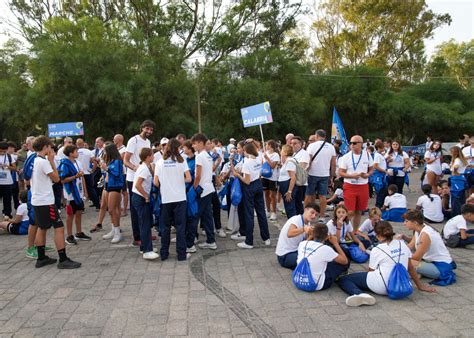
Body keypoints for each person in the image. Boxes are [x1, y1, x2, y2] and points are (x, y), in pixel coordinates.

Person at [337, 221, 435, 307]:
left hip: (382, 287)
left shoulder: (377, 249)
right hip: (403, 284)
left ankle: (360, 294)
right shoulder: (402, 244)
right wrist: (420, 286)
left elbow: (371, 271)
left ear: (378, 235)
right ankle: (362, 293)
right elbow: (410, 267)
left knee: (344, 279)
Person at [30, 136, 81, 269]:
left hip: (37, 200)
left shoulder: (34, 160)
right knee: (59, 227)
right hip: (46, 201)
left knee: (42, 228)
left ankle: (41, 258)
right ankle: (63, 259)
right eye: (50, 147)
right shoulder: (43, 162)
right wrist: (52, 161)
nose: (51, 150)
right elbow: (57, 178)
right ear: (45, 147)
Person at [154, 138, 192, 261]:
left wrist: (165, 184)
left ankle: (164, 254)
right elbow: (189, 179)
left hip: (166, 199)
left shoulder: (160, 162)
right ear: (177, 149)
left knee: (165, 227)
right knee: (180, 227)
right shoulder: (182, 161)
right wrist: (179, 181)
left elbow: (155, 182)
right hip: (180, 198)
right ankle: (181, 254)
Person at [233, 142, 270, 249]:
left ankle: (249, 241)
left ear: (247, 151)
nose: (243, 152)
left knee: (249, 214)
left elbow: (247, 181)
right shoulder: (258, 158)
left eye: (244, 150)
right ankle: (266, 238)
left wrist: (238, 175)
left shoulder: (247, 162)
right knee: (261, 212)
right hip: (258, 184)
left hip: (250, 187)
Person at [403, 210, 456, 285]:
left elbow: (416, 257)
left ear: (415, 222)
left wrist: (399, 256)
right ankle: (417, 273)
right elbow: (410, 246)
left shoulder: (425, 234)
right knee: (402, 259)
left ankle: (416, 273)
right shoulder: (419, 229)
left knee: (404, 261)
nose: (404, 224)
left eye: (406, 221)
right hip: (430, 262)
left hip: (440, 266)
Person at [124, 120, 155, 246]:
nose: (149, 131)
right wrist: (135, 168)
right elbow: (125, 160)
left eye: (151, 130)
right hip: (133, 179)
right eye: (147, 128)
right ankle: (137, 237)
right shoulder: (133, 140)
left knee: (145, 208)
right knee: (136, 209)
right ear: (142, 128)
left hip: (145, 179)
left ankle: (145, 233)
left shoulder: (147, 142)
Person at [296, 223, 349, 291]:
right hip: (316, 285)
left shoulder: (302, 244)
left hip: (298, 280)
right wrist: (336, 243)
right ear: (327, 236)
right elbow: (345, 261)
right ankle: (338, 277)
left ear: (313, 234)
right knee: (343, 263)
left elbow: (307, 241)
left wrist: (310, 236)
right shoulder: (326, 249)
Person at [338, 135, 374, 230]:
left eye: (354, 143)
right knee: (350, 211)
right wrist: (352, 176)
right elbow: (341, 172)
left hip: (363, 185)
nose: (352, 145)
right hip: (350, 185)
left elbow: (371, 169)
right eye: (350, 143)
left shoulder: (367, 155)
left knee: (359, 211)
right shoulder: (346, 157)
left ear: (361, 144)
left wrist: (368, 174)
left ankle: (355, 231)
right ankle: (345, 230)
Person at [58, 145, 90, 245]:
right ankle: (69, 235)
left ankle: (79, 232)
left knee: (79, 212)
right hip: (70, 194)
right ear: (71, 153)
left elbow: (82, 177)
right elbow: (62, 180)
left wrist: (85, 191)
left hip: (79, 192)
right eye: (76, 151)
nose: (78, 153)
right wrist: (75, 176)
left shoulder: (78, 162)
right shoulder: (65, 164)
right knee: (70, 214)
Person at [192, 133, 217, 250]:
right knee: (207, 216)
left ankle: (190, 242)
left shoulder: (199, 156)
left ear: (200, 143)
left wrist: (194, 187)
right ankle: (211, 240)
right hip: (209, 188)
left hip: (202, 189)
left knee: (195, 215)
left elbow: (197, 175)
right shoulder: (207, 155)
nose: (193, 146)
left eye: (195, 143)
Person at [132, 147, 158, 260]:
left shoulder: (146, 167)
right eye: (152, 155)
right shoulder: (143, 169)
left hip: (140, 197)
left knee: (145, 223)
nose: (153, 157)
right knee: (145, 224)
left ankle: (144, 246)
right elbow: (138, 185)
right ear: (148, 156)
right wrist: (146, 196)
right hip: (140, 198)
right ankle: (147, 250)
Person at [275, 203, 319, 269]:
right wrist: (303, 229)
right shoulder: (296, 219)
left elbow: (304, 244)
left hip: (295, 251)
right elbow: (289, 233)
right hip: (284, 255)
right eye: (312, 213)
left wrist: (311, 236)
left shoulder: (308, 223)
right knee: (309, 261)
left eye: (316, 215)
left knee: (315, 256)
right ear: (305, 210)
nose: (313, 216)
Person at [305, 130, 336, 223]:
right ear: (325, 136)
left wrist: (305, 171)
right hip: (325, 174)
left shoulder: (311, 146)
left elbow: (308, 161)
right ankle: (322, 217)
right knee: (323, 196)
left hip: (312, 174)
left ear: (316, 136)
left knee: (308, 195)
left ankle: (307, 215)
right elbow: (333, 163)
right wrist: (332, 176)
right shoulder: (331, 147)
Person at [100, 144, 124, 244]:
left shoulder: (117, 161)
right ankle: (114, 229)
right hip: (108, 185)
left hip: (115, 186)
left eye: (105, 151)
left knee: (112, 209)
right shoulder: (110, 161)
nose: (104, 153)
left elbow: (117, 174)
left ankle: (117, 232)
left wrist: (107, 169)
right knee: (110, 210)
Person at [290, 136, 310, 215]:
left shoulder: (304, 154)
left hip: (300, 183)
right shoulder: (294, 153)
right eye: (291, 143)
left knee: (298, 205)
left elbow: (302, 167)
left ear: (301, 144)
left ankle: (301, 221)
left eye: (295, 143)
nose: (292, 145)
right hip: (294, 181)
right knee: (295, 204)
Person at [262, 140, 280, 221]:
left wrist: (267, 158)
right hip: (264, 177)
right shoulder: (265, 154)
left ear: (270, 146)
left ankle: (274, 212)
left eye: (267, 145)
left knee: (272, 195)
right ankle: (267, 210)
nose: (266, 146)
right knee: (266, 193)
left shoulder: (276, 155)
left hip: (273, 177)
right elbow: (262, 165)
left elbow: (273, 166)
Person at [278, 145, 297, 219]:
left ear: (285, 152)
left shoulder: (289, 162)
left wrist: (289, 191)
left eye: (282, 150)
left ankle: (293, 224)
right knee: (289, 207)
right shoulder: (287, 161)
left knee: (290, 207)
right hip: (285, 185)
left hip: (287, 185)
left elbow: (293, 178)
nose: (280, 152)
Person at [114, 134, 128, 217]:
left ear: (118, 140)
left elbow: (121, 159)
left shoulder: (124, 149)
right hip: (117, 173)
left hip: (122, 173)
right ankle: (119, 208)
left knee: (124, 191)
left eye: (114, 140)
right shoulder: (117, 149)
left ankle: (125, 210)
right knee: (118, 192)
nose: (113, 141)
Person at [0, 142, 16, 220]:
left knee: (7, 199)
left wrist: (7, 166)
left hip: (7, 182)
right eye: (1, 151)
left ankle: (7, 213)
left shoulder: (9, 156)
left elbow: (14, 168)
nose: (2, 153)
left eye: (4, 151)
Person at [372, 141, 388, 208]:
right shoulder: (377, 155)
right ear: (379, 147)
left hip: (382, 174)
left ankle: (381, 205)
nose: (384, 148)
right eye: (383, 147)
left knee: (383, 191)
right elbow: (375, 166)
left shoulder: (380, 155)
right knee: (380, 191)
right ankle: (378, 205)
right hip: (379, 175)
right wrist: (384, 171)